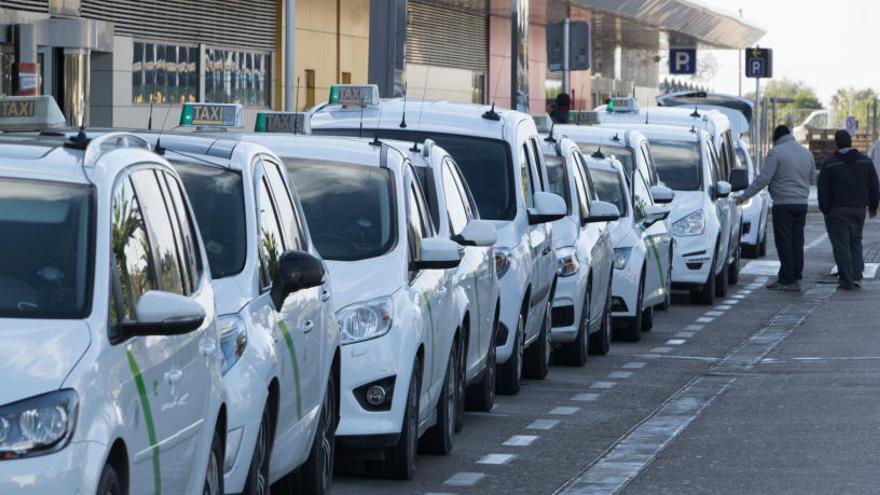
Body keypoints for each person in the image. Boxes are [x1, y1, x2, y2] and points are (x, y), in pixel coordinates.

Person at [736, 125, 816, 291]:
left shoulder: (776, 153)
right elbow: (812, 177)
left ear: (776, 138)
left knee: (784, 242)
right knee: (797, 241)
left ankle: (787, 279)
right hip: (801, 204)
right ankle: (794, 276)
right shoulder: (806, 153)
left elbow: (763, 179)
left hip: (783, 204)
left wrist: (744, 196)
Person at [818, 130, 880, 290]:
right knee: (855, 242)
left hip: (837, 211)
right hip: (859, 209)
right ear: (850, 142)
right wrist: (873, 206)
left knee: (841, 245)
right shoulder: (865, 161)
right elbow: (874, 185)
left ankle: (846, 280)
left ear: (836, 143)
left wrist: (825, 209)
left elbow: (823, 189)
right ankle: (857, 276)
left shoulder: (830, 164)